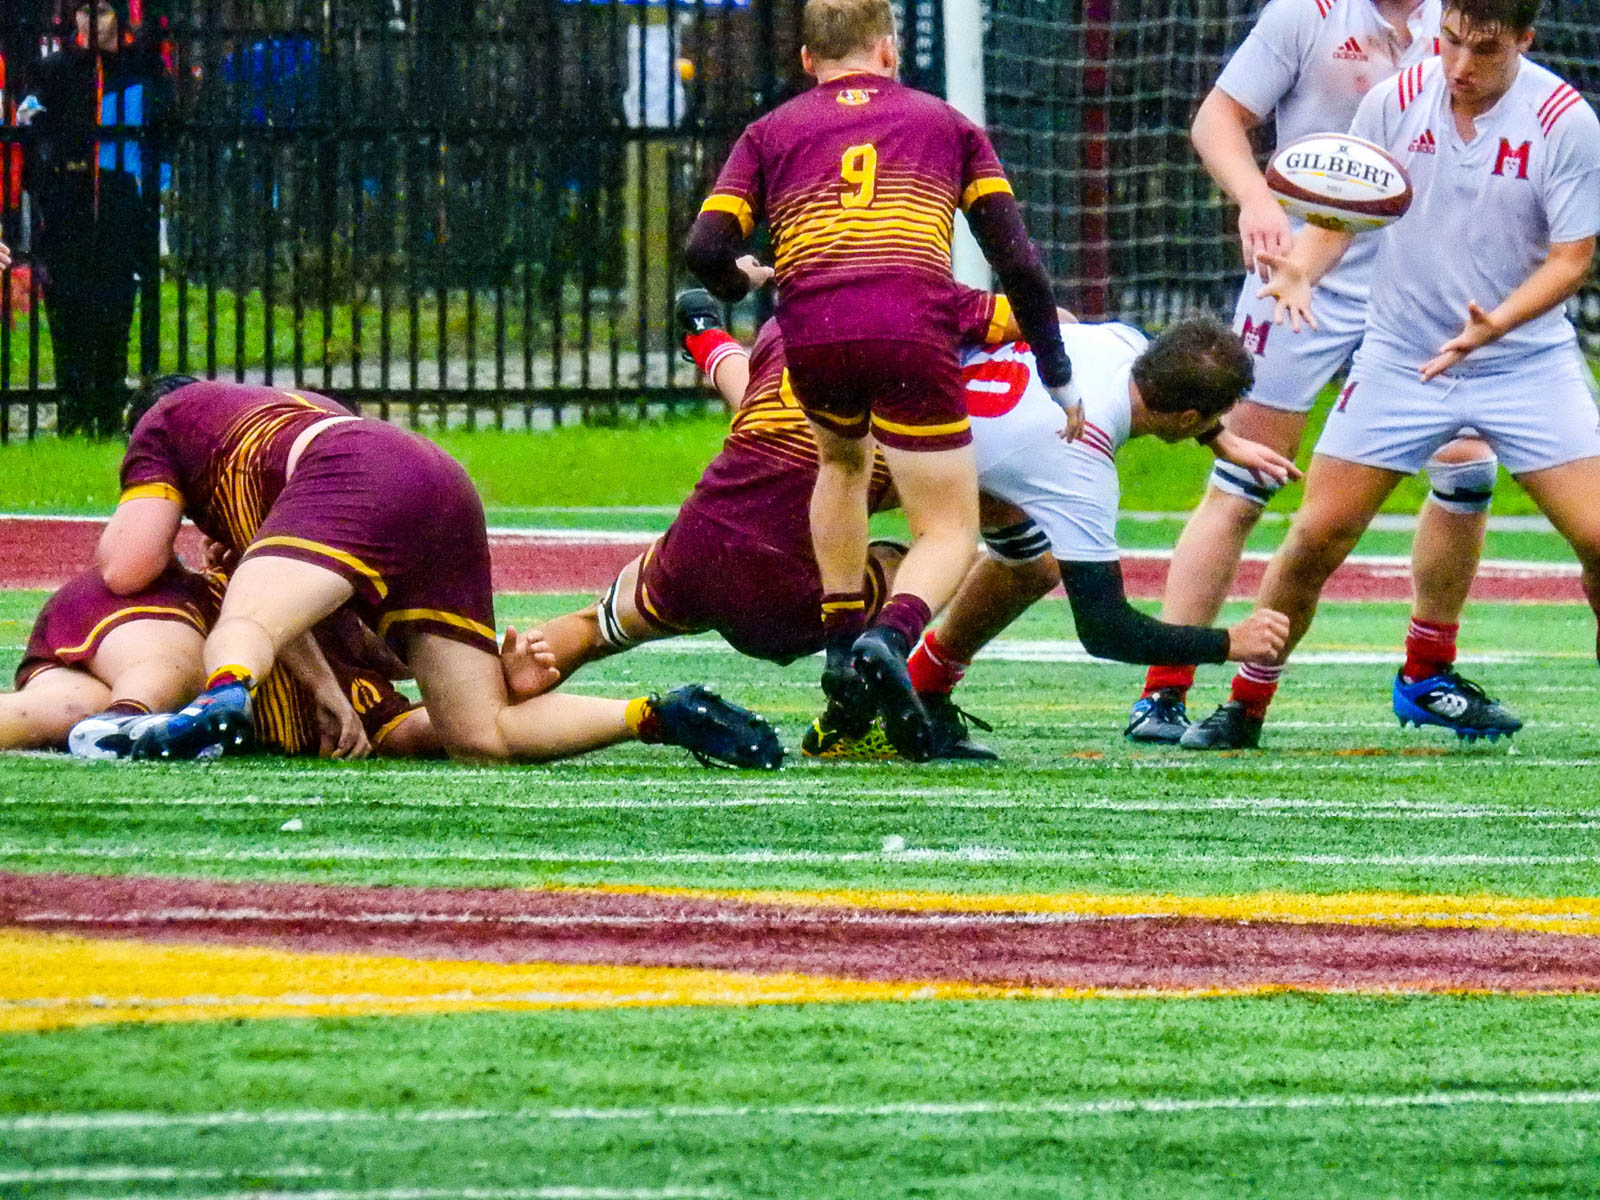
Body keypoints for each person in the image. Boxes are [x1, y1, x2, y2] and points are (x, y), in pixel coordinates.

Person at [1182, 0, 1600, 750]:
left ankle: (1431, 669)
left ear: (1525, 41)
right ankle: (1242, 706)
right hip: (1402, 359)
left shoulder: (1565, 121)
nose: (1460, 66)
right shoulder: (1394, 102)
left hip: (1525, 364)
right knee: (1316, 535)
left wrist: (1493, 328)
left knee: (1598, 538)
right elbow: (1342, 218)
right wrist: (1299, 273)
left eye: (1484, 50)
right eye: (1449, 44)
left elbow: (1573, 258)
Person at [684, 0, 1076, 761]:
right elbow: (1018, 262)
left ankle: (839, 649)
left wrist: (736, 288)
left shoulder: (772, 130)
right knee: (951, 527)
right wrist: (1056, 371)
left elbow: (706, 245)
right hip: (910, 323)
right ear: (890, 51)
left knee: (841, 462)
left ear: (806, 60)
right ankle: (887, 640)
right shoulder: (945, 123)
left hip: (812, 329)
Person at [1126, 0, 1514, 747]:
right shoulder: (1305, 14)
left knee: (1468, 470)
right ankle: (1164, 689)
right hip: (1300, 272)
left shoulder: (1466, 22)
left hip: (1420, 286)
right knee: (1243, 481)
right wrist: (1255, 200)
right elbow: (1217, 119)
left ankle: (1427, 673)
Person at [95, 376, 783, 768]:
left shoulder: (167, 419)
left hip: (356, 470)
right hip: (438, 478)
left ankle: (221, 699)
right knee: (481, 734)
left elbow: (129, 565)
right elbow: (355, 626)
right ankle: (653, 714)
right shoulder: (283, 411)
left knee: (244, 621)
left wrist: (326, 693)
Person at [901, 315, 1296, 757]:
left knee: (1032, 566)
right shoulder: (1081, 462)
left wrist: (1217, 437)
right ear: (1187, 417)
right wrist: (1227, 643)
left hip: (913, 404)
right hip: (893, 448)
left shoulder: (1117, 340)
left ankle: (923, 688)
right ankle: (854, 706)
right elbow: (1105, 631)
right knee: (836, 589)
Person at [5, 563, 439, 759]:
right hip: (156, 609)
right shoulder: (317, 586)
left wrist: (495, 700)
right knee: (176, 667)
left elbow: (414, 732)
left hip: (122, 638)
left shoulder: (363, 684)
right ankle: (128, 717)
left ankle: (119, 721)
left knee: (66, 712)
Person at [20, 0, 167, 438]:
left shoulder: (141, 69)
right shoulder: (54, 70)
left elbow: (164, 132)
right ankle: (73, 408)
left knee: (115, 307)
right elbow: (30, 134)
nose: (91, 21)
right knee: (67, 306)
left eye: (102, 10)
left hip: (121, 200)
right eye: (84, 11)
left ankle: (108, 409)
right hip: (68, 202)